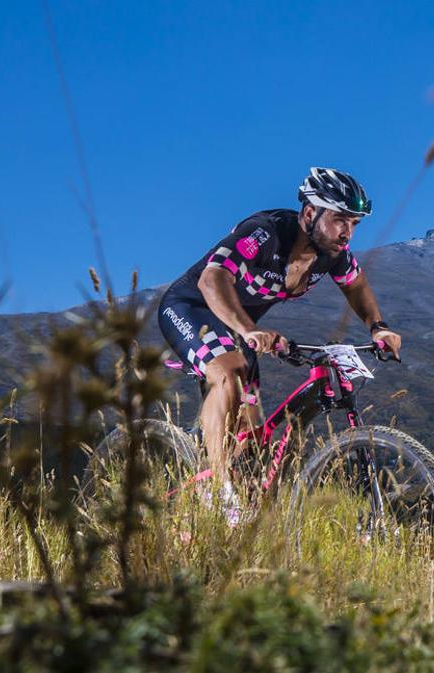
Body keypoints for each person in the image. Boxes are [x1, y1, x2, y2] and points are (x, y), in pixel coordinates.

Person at [157, 167, 402, 511]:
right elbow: (212, 280)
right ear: (310, 213)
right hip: (191, 309)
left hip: (240, 330)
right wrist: (248, 330)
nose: (347, 232)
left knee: (250, 441)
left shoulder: (332, 254)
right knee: (228, 371)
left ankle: (232, 510)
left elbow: (356, 285)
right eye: (339, 219)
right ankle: (217, 491)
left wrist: (378, 327)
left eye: (354, 223)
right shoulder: (264, 233)